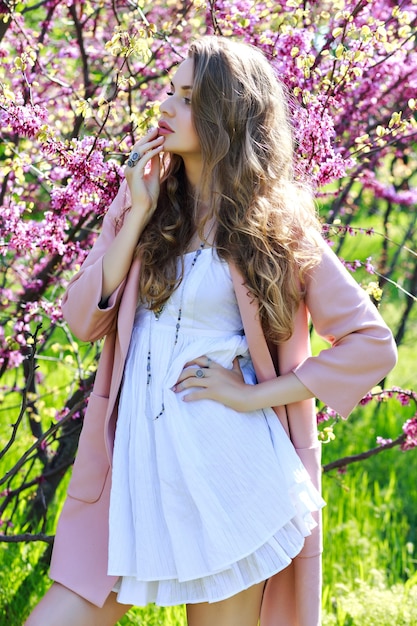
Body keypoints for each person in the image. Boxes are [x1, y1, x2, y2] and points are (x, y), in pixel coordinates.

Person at [25, 36, 397, 626]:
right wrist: (135, 213)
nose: (164, 108)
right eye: (168, 91)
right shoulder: (141, 205)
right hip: (135, 471)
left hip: (227, 469)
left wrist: (252, 395)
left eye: (186, 97)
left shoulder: (275, 225)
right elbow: (81, 320)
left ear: (225, 113)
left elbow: (372, 345)